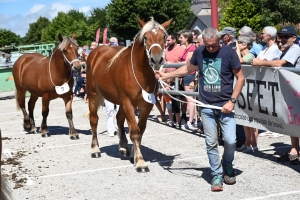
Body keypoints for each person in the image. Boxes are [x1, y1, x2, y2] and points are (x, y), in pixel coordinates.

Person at [155, 27, 245, 191]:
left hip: (226, 105)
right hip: (206, 105)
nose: (210, 48)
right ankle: (216, 174)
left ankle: (227, 163)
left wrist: (232, 101)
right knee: (211, 142)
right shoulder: (200, 52)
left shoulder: (229, 53)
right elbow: (188, 69)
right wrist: (166, 76)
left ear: (219, 40)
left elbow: (241, 78)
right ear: (203, 41)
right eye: (208, 45)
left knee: (231, 141)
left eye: (214, 45)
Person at [252, 26, 300, 164]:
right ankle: (294, 150)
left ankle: (295, 151)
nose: (283, 39)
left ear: (294, 38)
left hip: (296, 88)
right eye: (281, 36)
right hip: (292, 90)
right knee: (293, 120)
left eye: (286, 36)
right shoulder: (286, 50)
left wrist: (261, 63)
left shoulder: (295, 48)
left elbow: (280, 64)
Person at [235, 34, 259, 153]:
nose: (237, 44)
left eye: (239, 42)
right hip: (244, 89)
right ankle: (247, 142)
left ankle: (254, 144)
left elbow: (237, 61)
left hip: (251, 89)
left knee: (252, 118)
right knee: (244, 117)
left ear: (245, 45)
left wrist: (237, 49)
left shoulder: (250, 55)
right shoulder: (244, 54)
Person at [164, 34, 185, 128]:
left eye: (168, 40)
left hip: (177, 78)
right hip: (166, 79)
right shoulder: (167, 50)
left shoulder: (181, 49)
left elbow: (184, 63)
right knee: (168, 100)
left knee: (176, 100)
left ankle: (178, 121)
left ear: (174, 40)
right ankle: (171, 120)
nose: (167, 42)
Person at [178, 30, 197, 130]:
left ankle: (191, 121)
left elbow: (187, 61)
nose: (180, 39)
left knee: (190, 98)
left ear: (186, 38)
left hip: (190, 74)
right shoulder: (186, 48)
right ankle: (192, 120)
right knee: (188, 98)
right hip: (186, 75)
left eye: (181, 37)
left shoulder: (192, 48)